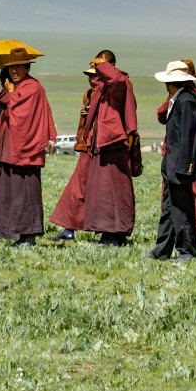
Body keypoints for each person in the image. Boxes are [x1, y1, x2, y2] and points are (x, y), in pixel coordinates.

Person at [0, 47, 57, 246]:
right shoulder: (16, 89)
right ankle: (14, 232)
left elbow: (22, 118)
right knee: (10, 191)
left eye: (19, 67)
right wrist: (2, 97)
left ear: (27, 68)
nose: (14, 71)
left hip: (26, 151)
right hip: (10, 149)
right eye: (11, 68)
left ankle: (29, 235)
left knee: (26, 191)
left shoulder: (32, 88)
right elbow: (7, 114)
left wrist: (10, 95)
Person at [78, 49, 139, 246]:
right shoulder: (102, 88)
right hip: (102, 143)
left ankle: (118, 232)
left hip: (115, 143)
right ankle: (105, 232)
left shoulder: (121, 83)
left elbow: (118, 80)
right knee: (101, 191)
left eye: (100, 66)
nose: (96, 71)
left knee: (117, 191)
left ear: (110, 66)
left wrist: (100, 63)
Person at [149, 61, 196, 261]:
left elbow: (190, 136)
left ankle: (187, 250)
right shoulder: (180, 98)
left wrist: (185, 165)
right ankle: (162, 249)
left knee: (182, 208)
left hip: (180, 165)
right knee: (168, 207)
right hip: (173, 164)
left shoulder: (187, 100)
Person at [156, 59, 196, 238]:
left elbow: (193, 133)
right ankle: (167, 244)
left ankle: (189, 239)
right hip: (180, 155)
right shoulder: (183, 98)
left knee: (188, 199)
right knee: (173, 200)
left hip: (188, 156)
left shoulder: (190, 100)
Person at [49, 64, 99, 241]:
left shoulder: (109, 95)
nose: (93, 80)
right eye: (90, 76)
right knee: (78, 188)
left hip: (100, 148)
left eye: (96, 76)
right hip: (88, 147)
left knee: (89, 189)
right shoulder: (88, 94)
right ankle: (69, 227)